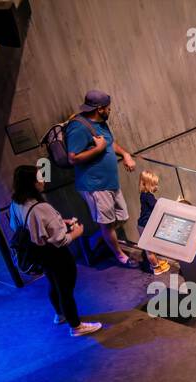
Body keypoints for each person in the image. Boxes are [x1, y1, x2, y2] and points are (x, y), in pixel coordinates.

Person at [8, 165, 101, 336]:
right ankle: (76, 326)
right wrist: (77, 232)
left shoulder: (16, 203)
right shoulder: (42, 207)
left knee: (54, 283)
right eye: (39, 178)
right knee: (66, 289)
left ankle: (60, 315)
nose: (43, 180)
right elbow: (61, 240)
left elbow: (17, 225)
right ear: (32, 183)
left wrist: (58, 223)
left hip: (39, 254)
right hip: (56, 254)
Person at [65, 90, 138, 267]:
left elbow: (110, 142)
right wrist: (98, 149)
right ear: (99, 109)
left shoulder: (100, 123)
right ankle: (121, 256)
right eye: (108, 108)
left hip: (110, 182)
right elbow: (72, 158)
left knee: (122, 217)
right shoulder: (78, 128)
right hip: (95, 185)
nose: (110, 111)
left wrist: (126, 154)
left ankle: (95, 241)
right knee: (107, 224)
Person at [135, 171, 170, 275]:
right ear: (147, 184)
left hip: (143, 225)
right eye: (154, 184)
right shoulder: (148, 196)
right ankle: (156, 267)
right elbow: (157, 205)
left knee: (150, 248)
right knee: (149, 250)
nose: (157, 187)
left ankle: (156, 263)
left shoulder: (144, 195)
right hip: (145, 226)